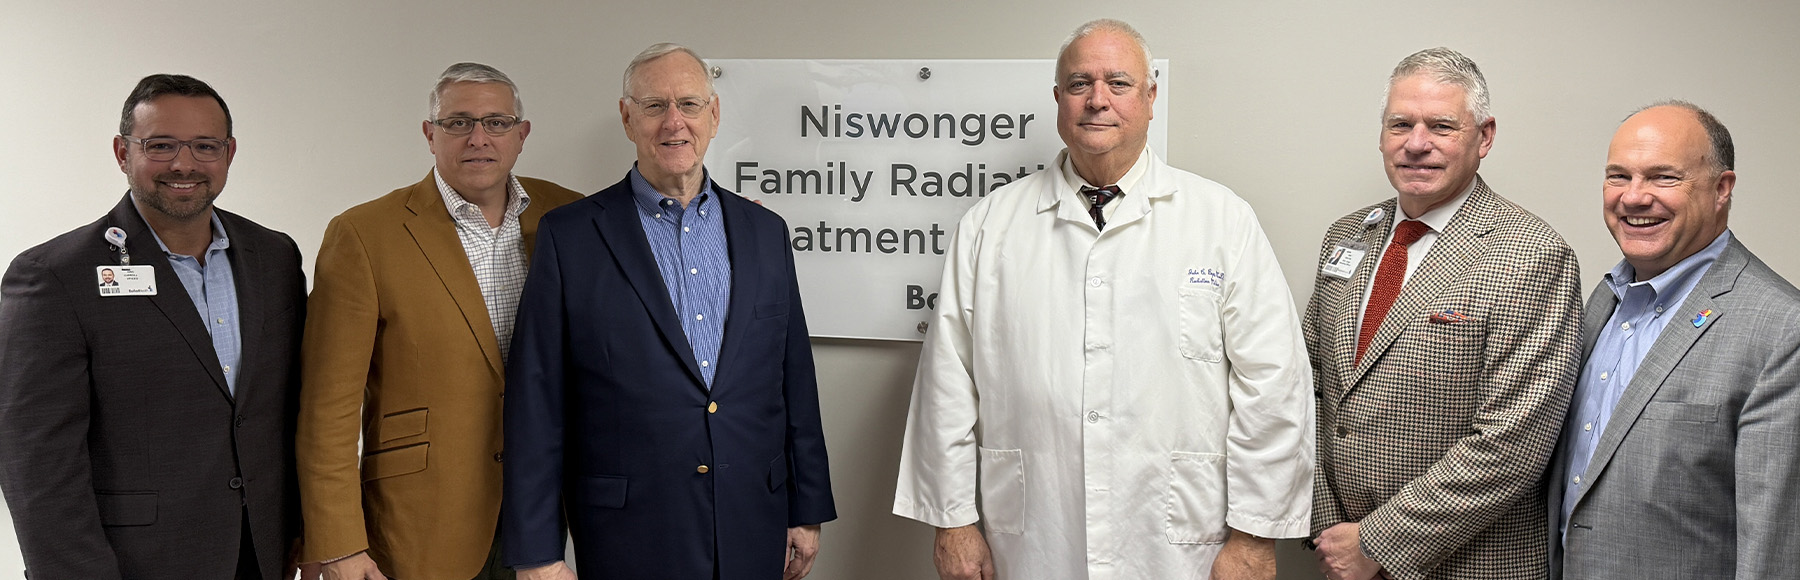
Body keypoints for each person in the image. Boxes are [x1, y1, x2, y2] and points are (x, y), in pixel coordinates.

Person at [893, 19, 1315, 580]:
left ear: (1150, 97)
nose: (1098, 101)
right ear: (1057, 99)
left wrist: (1256, 538)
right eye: (1078, 84)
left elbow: (1275, 387)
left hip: (1181, 541)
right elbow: (946, 383)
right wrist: (952, 522)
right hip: (1034, 537)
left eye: (1118, 83)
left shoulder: (1221, 220)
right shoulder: (990, 225)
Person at [500, 43, 836, 580]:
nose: (674, 122)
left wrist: (808, 506)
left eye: (689, 104)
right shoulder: (571, 235)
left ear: (715, 115)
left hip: (753, 519)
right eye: (654, 106)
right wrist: (538, 551)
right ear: (627, 117)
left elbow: (794, 377)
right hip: (628, 532)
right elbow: (536, 400)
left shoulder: (764, 232)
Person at [0, 74, 309, 580]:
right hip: (133, 564)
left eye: (204, 146)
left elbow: (288, 408)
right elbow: (36, 462)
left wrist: (302, 527)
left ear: (229, 152)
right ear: (123, 152)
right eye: (160, 145)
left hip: (262, 552)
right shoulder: (54, 276)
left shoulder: (273, 256)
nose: (184, 164)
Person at [296, 63, 584, 580]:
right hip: (421, 521)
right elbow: (327, 409)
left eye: (497, 122)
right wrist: (338, 543)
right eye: (458, 123)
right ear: (430, 135)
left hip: (549, 515)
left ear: (522, 135)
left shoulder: (568, 214)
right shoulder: (363, 234)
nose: (478, 138)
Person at [1304, 48, 1582, 580]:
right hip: (1339, 554)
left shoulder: (1532, 253)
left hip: (1466, 564)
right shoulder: (1346, 236)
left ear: (1485, 136)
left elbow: (1513, 441)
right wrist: (1327, 525)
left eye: (1442, 126)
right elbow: (1308, 383)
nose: (1416, 143)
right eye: (1400, 124)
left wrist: (1378, 543)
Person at [1547, 102, 1800, 579]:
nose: (1634, 198)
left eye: (1664, 178)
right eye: (1618, 176)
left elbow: (1775, 548)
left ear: (1722, 189)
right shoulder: (1604, 300)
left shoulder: (1782, 331)